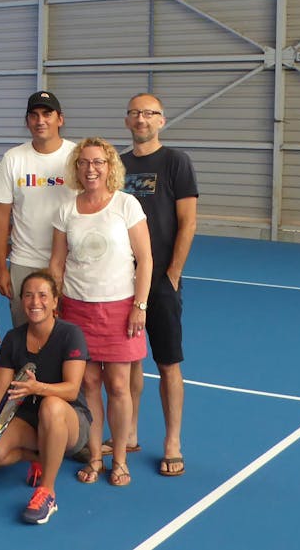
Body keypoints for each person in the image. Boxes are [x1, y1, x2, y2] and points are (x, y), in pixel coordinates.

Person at [49, 137, 153, 487]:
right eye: (84, 162)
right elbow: (57, 262)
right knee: (89, 383)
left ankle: (120, 459)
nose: (91, 168)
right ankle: (95, 457)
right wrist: (54, 304)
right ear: (76, 168)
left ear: (110, 167)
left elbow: (146, 259)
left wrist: (139, 305)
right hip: (77, 309)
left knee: (119, 386)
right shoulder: (66, 209)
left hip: (121, 307)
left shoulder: (126, 204)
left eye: (98, 162)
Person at [120, 93, 198, 477]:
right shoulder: (118, 164)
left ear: (161, 121)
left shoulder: (176, 162)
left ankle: (172, 441)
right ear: (127, 120)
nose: (141, 119)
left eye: (149, 113)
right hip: (122, 281)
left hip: (162, 281)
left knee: (167, 363)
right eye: (135, 113)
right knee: (129, 360)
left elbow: (188, 223)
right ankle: (130, 432)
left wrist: (172, 274)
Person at [0, 270, 89, 525]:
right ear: (21, 301)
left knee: (51, 406)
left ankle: (48, 492)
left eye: (43, 295)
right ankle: (42, 456)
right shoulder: (13, 338)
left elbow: (71, 390)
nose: (35, 302)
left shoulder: (70, 334)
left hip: (69, 420)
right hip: (28, 421)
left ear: (55, 301)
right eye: (28, 296)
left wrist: (39, 388)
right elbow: (1, 391)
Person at [0, 91, 76, 328]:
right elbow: (0, 216)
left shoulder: (77, 156)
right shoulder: (13, 158)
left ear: (60, 119)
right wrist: (1, 268)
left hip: (71, 263)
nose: (41, 121)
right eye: (34, 115)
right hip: (23, 262)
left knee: (66, 336)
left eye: (47, 114)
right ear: (27, 121)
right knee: (25, 333)